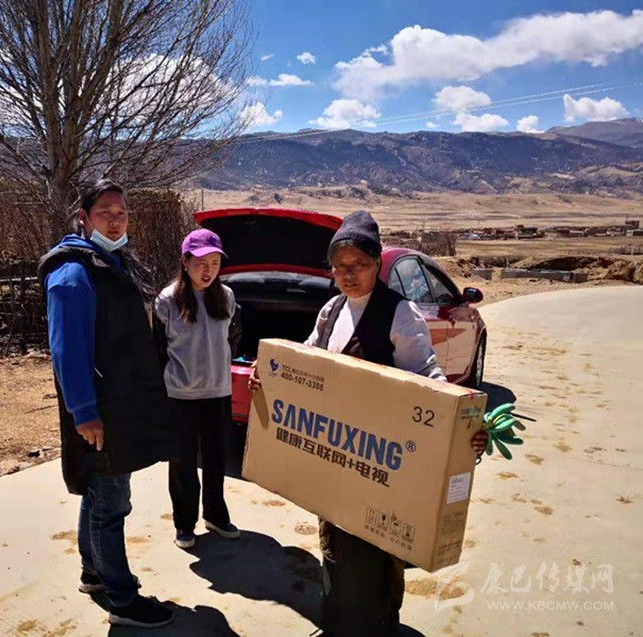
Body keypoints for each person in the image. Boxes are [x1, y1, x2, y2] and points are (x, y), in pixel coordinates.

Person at [249, 210, 488, 637]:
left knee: (376, 550)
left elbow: (428, 378)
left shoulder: (400, 314)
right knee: (335, 541)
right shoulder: (332, 310)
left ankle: (378, 625)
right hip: (337, 453)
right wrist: (269, 375)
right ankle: (338, 622)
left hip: (381, 462)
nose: (348, 274)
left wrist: (463, 424)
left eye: (358, 264)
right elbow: (305, 361)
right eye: (339, 266)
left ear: (377, 263)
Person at [38, 179, 177, 629]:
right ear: (84, 218)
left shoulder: (109, 262)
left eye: (121, 213)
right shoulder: (72, 274)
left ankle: (93, 572)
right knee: (112, 503)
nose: (115, 221)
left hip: (119, 403)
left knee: (100, 491)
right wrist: (84, 412)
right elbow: (66, 351)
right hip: (102, 409)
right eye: (105, 213)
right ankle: (123, 599)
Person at [153, 229, 243, 550]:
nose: (208, 271)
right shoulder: (167, 300)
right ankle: (184, 523)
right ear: (185, 261)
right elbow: (158, 349)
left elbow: (233, 339)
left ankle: (216, 516)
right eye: (201, 263)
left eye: (215, 263)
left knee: (217, 460)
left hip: (218, 393)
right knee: (183, 464)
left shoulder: (227, 297)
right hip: (181, 396)